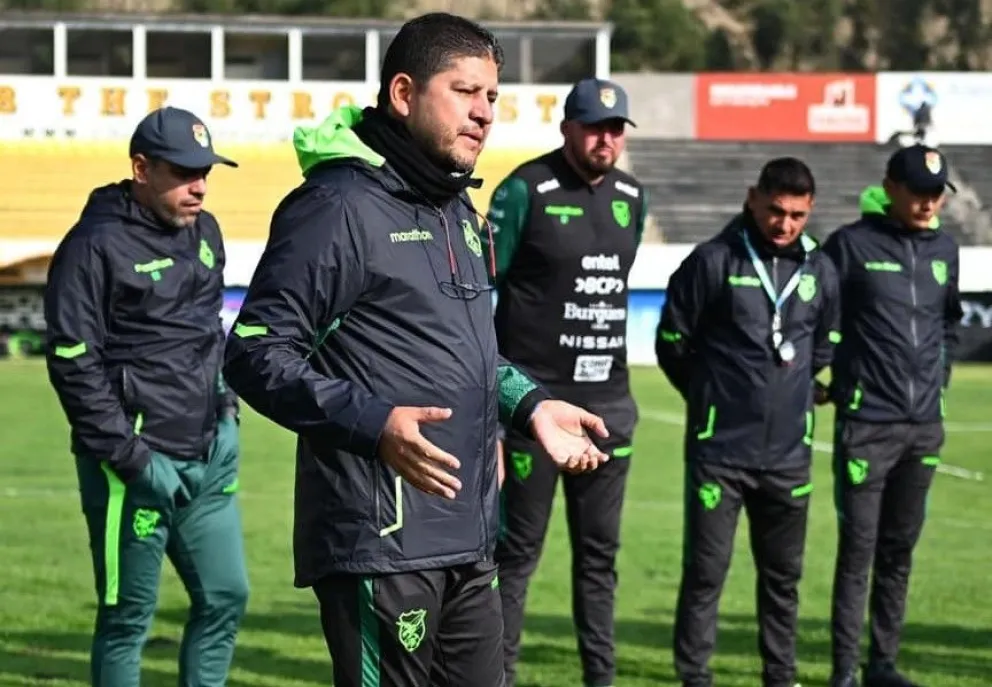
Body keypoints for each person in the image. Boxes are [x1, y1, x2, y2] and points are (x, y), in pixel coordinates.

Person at [221, 13, 610, 687]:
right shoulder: (336, 206)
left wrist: (531, 407)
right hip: (382, 541)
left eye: (492, 96)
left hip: (468, 534)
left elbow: (466, 354)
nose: (485, 113)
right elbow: (254, 351)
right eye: (465, 92)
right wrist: (374, 424)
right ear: (403, 94)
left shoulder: (456, 209)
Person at [44, 106, 248, 687]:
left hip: (206, 459)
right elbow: (73, 364)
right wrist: (132, 458)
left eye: (206, 171)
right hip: (130, 467)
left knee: (226, 596)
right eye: (184, 172)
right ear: (141, 168)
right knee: (128, 616)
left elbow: (210, 332)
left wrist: (226, 410)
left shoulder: (206, 232)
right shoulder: (92, 247)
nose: (200, 186)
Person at [482, 77, 646, 687]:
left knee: (600, 561)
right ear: (568, 128)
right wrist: (499, 413)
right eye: (595, 127)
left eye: (616, 129)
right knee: (515, 557)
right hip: (534, 411)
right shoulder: (526, 190)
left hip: (608, 409)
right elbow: (480, 292)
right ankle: (496, 675)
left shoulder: (633, 194)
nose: (607, 139)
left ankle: (600, 678)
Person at [655, 158, 842, 687]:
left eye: (797, 215)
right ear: (752, 198)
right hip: (721, 455)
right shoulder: (713, 260)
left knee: (784, 578)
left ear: (809, 211)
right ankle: (695, 675)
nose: (784, 224)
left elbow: (827, 340)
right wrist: (712, 399)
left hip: (789, 457)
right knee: (706, 573)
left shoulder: (820, 268)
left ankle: (780, 675)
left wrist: (814, 388)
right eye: (776, 211)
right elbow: (671, 342)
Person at [823, 144, 963, 687]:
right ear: (891, 187)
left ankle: (882, 664)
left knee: (899, 550)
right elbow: (818, 312)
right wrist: (825, 375)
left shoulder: (945, 250)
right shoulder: (850, 245)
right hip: (867, 424)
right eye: (920, 192)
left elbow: (948, 324)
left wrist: (939, 383)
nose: (929, 203)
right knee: (857, 551)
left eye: (936, 194)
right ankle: (843, 672)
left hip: (923, 426)